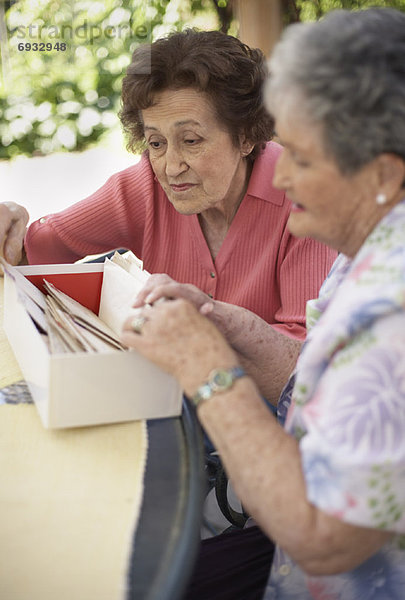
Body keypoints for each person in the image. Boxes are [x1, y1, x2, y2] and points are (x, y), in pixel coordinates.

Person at [121, 8, 405, 599]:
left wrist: (207, 368)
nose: (278, 179)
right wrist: (231, 324)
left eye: (301, 159)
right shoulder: (365, 252)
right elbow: (318, 387)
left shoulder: (393, 310)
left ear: (382, 173)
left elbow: (325, 534)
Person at [0, 29, 335, 404]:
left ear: (245, 136)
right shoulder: (145, 185)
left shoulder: (304, 199)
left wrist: (214, 325)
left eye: (191, 140)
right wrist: (11, 221)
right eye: (156, 142)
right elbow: (35, 250)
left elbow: (305, 374)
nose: (171, 167)